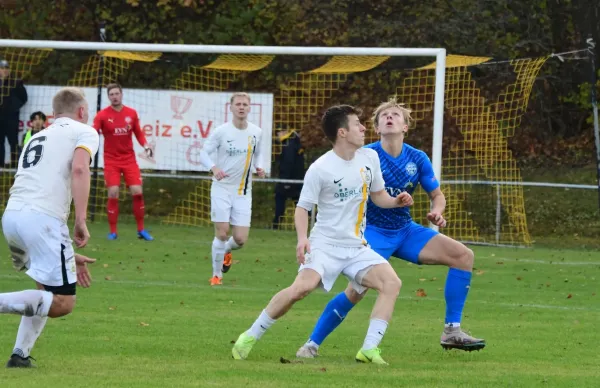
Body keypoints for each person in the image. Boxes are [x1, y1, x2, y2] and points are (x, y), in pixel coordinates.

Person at [296, 98, 485, 359]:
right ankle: (312, 344)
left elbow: (437, 195)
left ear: (405, 126)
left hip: (405, 230)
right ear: (376, 127)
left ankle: (452, 330)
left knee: (464, 256)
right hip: (371, 232)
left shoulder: (417, 158)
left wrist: (437, 213)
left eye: (395, 115)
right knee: (356, 291)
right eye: (383, 115)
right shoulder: (366, 155)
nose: (389, 117)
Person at [231, 104, 414, 365]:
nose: (364, 128)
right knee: (300, 289)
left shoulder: (369, 158)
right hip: (325, 244)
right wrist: (303, 239)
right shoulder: (321, 168)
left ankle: (369, 349)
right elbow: (303, 207)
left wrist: (396, 201)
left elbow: (378, 196)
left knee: (391, 284)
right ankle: (251, 335)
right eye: (357, 124)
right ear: (342, 133)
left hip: (356, 247)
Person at [0, 87, 99, 368]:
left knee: (44, 290)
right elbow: (80, 169)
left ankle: (20, 354)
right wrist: (80, 219)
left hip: (13, 216)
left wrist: (66, 251)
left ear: (54, 114)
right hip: (41, 219)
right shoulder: (84, 131)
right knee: (62, 303)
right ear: (82, 111)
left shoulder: (39, 134)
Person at [198, 92, 265, 286]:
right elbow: (204, 152)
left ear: (249, 107)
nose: (241, 107)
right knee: (221, 232)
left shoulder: (256, 132)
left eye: (245, 104)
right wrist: (214, 167)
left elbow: (258, 154)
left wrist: (258, 167)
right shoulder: (221, 131)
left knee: (241, 239)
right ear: (231, 107)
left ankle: (226, 250)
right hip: (222, 188)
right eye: (238, 104)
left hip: (243, 191)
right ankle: (216, 275)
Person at [93, 83, 154, 241]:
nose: (114, 96)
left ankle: (141, 230)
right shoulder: (102, 115)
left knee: (137, 191)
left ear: (121, 94)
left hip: (129, 159)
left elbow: (139, 134)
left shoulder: (131, 113)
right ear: (109, 97)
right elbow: (94, 132)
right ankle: (113, 232)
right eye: (111, 94)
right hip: (111, 160)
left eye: (116, 93)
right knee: (113, 193)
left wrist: (146, 146)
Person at [272, 128, 305, 229]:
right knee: (302, 205)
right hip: (298, 180)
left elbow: (288, 163)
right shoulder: (295, 141)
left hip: (288, 181)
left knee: (280, 201)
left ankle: (276, 225)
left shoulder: (288, 144)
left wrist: (286, 181)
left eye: (278, 133)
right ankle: (314, 223)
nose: (277, 136)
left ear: (284, 131)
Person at [0, 58, 28, 167]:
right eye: (2, 68)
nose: (4, 70)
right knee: (0, 143)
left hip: (11, 118)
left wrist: (12, 107)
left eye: (6, 68)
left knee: (13, 143)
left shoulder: (16, 82)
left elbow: (23, 98)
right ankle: (1, 167)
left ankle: (15, 166)